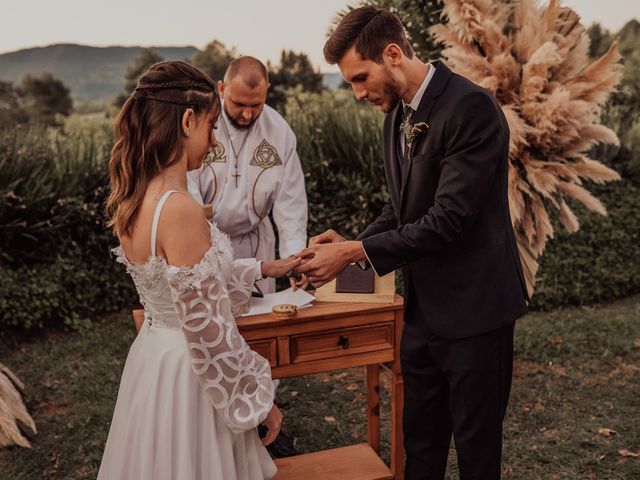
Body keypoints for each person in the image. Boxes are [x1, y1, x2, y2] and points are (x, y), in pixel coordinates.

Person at [296, 7, 529, 480]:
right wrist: (351, 244)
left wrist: (355, 255)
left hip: (476, 315)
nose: (358, 93)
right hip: (421, 315)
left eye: (361, 78)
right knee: (419, 447)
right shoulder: (396, 117)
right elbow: (404, 209)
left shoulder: (471, 108)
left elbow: (449, 220)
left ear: (394, 54)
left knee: (476, 453)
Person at [99, 60, 300, 480]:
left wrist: (265, 266)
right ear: (187, 120)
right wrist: (259, 401)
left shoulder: (135, 198)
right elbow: (209, 332)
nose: (213, 141)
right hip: (191, 379)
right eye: (210, 126)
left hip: (154, 362)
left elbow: (188, 285)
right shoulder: (181, 210)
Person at [188, 56, 309, 294]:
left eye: (256, 105)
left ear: (267, 91)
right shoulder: (199, 127)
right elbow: (186, 189)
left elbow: (291, 203)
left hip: (257, 245)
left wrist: (295, 259)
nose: (246, 114)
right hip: (206, 244)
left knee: (259, 321)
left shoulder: (279, 131)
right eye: (239, 104)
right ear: (221, 89)